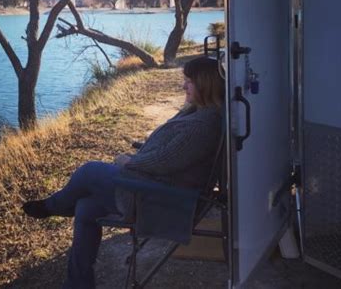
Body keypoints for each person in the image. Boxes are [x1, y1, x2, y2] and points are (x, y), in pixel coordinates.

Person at [22, 56, 224, 289]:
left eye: (189, 82)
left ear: (205, 84)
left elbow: (163, 161)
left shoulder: (202, 126)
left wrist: (127, 162)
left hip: (161, 199)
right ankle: (78, 284)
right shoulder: (198, 112)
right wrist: (142, 153)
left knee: (90, 171)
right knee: (86, 208)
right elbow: (169, 154)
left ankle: (52, 206)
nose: (183, 86)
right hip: (155, 187)